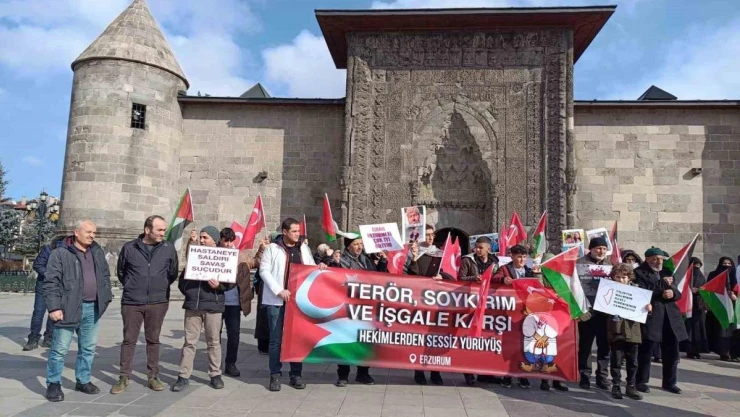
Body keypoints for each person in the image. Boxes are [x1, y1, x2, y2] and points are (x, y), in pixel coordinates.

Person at [43, 220, 113, 402]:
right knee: (59, 349)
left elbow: (105, 275)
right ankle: (54, 383)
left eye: (94, 232)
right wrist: (54, 307)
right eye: (88, 232)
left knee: (88, 348)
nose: (92, 236)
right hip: (68, 308)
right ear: (76, 232)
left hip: (92, 307)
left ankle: (83, 380)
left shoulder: (97, 252)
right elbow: (51, 282)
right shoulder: (60, 253)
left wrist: (106, 296)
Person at [111, 215, 178, 394]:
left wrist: (159, 286)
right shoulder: (129, 247)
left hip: (158, 301)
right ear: (147, 230)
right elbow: (121, 272)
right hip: (132, 302)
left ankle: (153, 376)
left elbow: (172, 273)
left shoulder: (168, 248)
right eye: (159, 230)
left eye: (164, 230)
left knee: (153, 339)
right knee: (129, 340)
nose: (163, 233)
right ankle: (124, 376)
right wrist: (133, 285)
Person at [261, 218, 325, 391]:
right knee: (276, 340)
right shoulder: (272, 248)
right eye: (294, 231)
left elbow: (310, 268)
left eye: (298, 231)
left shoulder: (303, 248)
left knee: (296, 338)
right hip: (277, 301)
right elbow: (264, 271)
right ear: (285, 232)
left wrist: (319, 267)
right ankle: (275, 374)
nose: (298, 234)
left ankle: (296, 374)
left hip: (298, 301)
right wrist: (279, 290)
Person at [171, 226, 235, 392]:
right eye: (201, 237)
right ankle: (183, 376)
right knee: (189, 343)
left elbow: (230, 283)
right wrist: (189, 291)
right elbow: (182, 282)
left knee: (213, 342)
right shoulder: (195, 256)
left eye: (205, 237)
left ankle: (215, 374)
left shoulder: (223, 256)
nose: (201, 240)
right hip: (193, 306)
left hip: (213, 306)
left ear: (214, 240)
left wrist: (218, 286)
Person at [634, 247, 688, 394]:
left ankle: (670, 382)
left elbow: (678, 292)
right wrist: (662, 286)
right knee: (646, 351)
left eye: (661, 259)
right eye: (655, 259)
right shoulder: (639, 273)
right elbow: (641, 293)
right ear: (647, 259)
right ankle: (641, 381)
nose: (659, 262)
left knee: (672, 351)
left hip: (670, 317)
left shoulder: (667, 272)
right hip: (651, 316)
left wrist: (672, 293)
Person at [335, 235, 387, 387]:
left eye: (361, 244)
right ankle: (343, 375)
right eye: (356, 244)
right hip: (348, 307)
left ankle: (363, 373)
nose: (359, 247)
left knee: (364, 341)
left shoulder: (367, 260)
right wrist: (333, 263)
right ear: (348, 246)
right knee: (346, 341)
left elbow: (378, 278)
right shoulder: (342, 260)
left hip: (365, 306)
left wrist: (383, 262)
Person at [492, 244, 540, 389]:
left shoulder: (529, 270)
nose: (522, 260)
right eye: (519, 257)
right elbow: (494, 278)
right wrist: (503, 280)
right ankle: (508, 374)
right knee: (511, 345)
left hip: (526, 313)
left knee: (525, 344)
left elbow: (538, 287)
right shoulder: (505, 269)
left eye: (524, 257)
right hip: (510, 313)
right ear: (512, 256)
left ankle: (522, 374)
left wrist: (537, 275)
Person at [220, 229, 266, 377]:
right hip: (216, 300)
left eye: (230, 241)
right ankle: (214, 364)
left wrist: (261, 249)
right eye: (225, 241)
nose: (228, 244)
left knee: (234, 334)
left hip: (233, 302)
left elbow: (256, 262)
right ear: (220, 240)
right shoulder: (214, 253)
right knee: (214, 335)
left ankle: (230, 363)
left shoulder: (241, 255)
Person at [407, 229, 448, 386]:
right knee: (420, 338)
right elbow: (412, 277)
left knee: (436, 338)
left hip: (437, 302)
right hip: (420, 302)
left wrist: (442, 276)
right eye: (427, 235)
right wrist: (414, 259)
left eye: (432, 235)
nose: (430, 237)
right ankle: (419, 372)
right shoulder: (415, 253)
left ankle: (435, 372)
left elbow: (450, 274)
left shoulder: (440, 254)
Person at [458, 236, 499, 386]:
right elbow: (460, 278)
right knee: (469, 338)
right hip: (470, 303)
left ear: (488, 248)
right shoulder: (467, 260)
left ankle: (485, 373)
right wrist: (474, 278)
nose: (478, 250)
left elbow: (497, 278)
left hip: (489, 304)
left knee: (487, 339)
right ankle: (468, 373)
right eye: (476, 247)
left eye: (481, 247)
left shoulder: (495, 262)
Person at [607, 263, 651, 400]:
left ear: (629, 278)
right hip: (616, 330)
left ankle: (631, 385)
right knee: (616, 360)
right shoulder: (608, 290)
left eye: (624, 277)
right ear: (613, 277)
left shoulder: (638, 291)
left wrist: (648, 309)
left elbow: (644, 310)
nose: (621, 280)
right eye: (618, 277)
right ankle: (616, 385)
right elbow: (602, 307)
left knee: (633, 361)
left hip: (633, 330)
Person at [575, 236, 613, 390]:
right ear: (591, 249)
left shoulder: (610, 265)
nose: (601, 251)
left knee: (605, 346)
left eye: (604, 249)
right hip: (587, 311)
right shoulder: (579, 264)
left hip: (605, 313)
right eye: (598, 248)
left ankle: (602, 377)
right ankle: (584, 376)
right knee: (586, 346)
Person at [23, 237, 64, 351]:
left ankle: (48, 338)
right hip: (44, 284)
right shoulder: (48, 249)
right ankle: (33, 338)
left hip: (58, 286)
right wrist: (50, 275)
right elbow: (38, 265)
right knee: (39, 312)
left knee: (54, 311)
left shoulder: (69, 250)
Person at [706, 257, 739, 361]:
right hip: (720, 306)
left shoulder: (735, 276)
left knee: (733, 331)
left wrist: (735, 296)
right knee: (721, 330)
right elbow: (709, 289)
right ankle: (723, 353)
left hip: (733, 307)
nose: (727, 266)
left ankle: (734, 353)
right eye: (724, 264)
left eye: (729, 264)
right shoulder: (713, 274)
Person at [682, 258, 708, 359]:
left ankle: (697, 350)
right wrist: (689, 290)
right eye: (695, 265)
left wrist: (700, 291)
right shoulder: (686, 276)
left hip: (699, 307)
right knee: (689, 329)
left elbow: (706, 290)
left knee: (699, 329)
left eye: (698, 266)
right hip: (688, 306)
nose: (697, 268)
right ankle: (689, 351)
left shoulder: (701, 277)